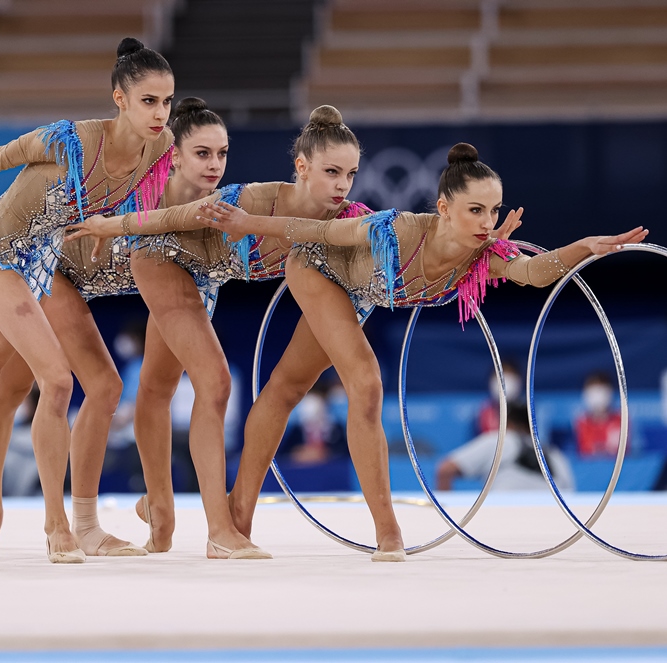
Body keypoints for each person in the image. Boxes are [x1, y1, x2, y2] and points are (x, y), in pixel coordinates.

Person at [191, 136, 647, 560]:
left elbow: (533, 272)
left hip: (360, 294)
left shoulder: (484, 254)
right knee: (366, 383)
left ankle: (236, 515)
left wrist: (584, 247)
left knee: (287, 387)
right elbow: (317, 233)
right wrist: (250, 222)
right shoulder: (400, 230)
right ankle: (387, 531)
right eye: (475, 211)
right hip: (316, 269)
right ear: (444, 208)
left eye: (493, 211)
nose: (488, 224)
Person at [0, 37, 174, 563]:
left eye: (166, 101)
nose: (159, 113)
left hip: (40, 263)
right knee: (57, 380)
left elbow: (134, 197)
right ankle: (56, 525)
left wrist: (109, 233)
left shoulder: (162, 145)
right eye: (148, 101)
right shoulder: (67, 140)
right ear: (119, 99)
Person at [0, 97, 235, 556]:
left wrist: (160, 499)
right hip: (47, 269)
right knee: (97, 386)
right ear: (173, 155)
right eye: (202, 153)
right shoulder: (144, 189)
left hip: (65, 280)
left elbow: (156, 391)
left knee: (0, 381)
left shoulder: (208, 218)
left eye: (222, 153)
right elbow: (33, 198)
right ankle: (78, 523)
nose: (214, 165)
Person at [67, 106, 375, 558]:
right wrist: (110, 224)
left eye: (350, 173)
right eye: (332, 171)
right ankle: (219, 532)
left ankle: (159, 505)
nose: (343, 184)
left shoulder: (348, 220)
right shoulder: (252, 200)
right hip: (160, 255)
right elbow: (167, 221)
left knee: (156, 386)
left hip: (203, 279)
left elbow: (407, 235)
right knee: (215, 382)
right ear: (304, 169)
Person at [436, 404, 575, 492]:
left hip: (505, 516)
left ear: (508, 424)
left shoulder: (500, 440)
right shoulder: (555, 454)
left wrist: (446, 518)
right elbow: (570, 495)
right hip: (553, 521)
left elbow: (445, 470)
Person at [574, 372, 625, 456]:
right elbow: (586, 450)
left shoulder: (622, 420)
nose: (597, 395)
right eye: (593, 390)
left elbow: (623, 450)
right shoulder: (581, 422)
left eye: (600, 390)